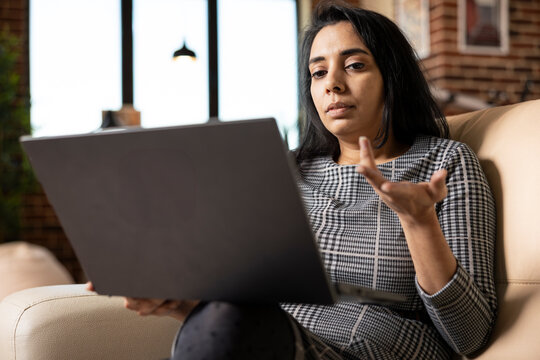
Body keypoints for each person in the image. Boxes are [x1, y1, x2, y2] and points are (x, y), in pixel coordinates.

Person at [88, 1, 497, 359]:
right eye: (318, 73)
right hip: (267, 337)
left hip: (379, 348)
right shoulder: (289, 170)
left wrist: (419, 222)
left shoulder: (444, 163)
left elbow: (469, 336)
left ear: (393, 77)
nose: (332, 83)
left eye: (354, 65)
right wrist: (178, 303)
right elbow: (243, 309)